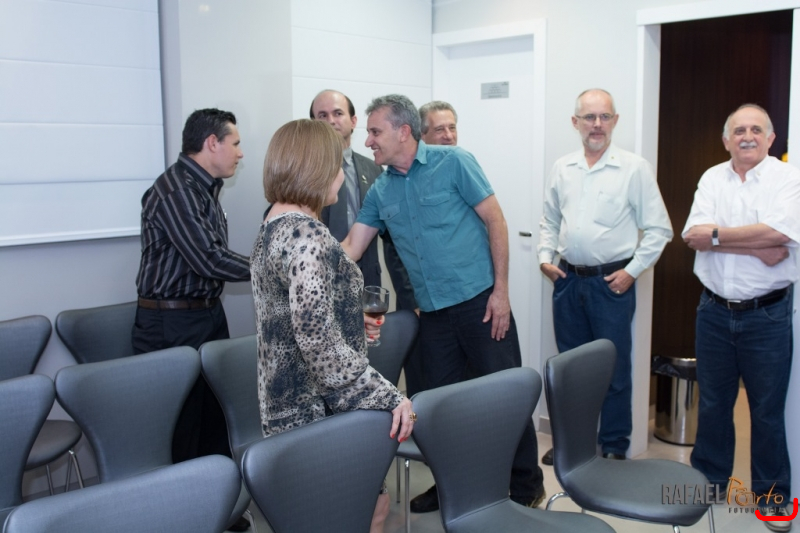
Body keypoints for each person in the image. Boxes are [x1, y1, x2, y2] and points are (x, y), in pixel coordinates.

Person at [342, 94, 545, 513]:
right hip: (432, 317)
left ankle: (526, 484)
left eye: (375, 132)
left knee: (506, 394)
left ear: (403, 131)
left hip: (481, 304)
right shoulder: (380, 190)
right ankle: (452, 483)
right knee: (439, 407)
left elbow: (495, 220)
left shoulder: (454, 162)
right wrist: (299, 258)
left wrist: (501, 292)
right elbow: (352, 247)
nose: (368, 141)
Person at [252, 119, 415, 533]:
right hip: (320, 409)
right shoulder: (309, 236)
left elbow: (290, 314)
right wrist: (389, 395)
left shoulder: (272, 226)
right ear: (317, 169)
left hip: (284, 404)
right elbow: (320, 347)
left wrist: (348, 315)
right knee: (366, 510)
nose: (343, 175)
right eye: (337, 165)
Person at [537, 89, 673, 465]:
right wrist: (545, 258)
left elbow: (659, 229)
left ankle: (613, 444)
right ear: (575, 122)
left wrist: (631, 272)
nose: (597, 125)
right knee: (571, 369)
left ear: (615, 121)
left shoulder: (633, 168)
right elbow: (549, 219)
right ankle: (572, 444)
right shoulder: (563, 167)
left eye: (604, 117)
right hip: (567, 282)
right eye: (589, 117)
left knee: (613, 369)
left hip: (610, 285)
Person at [133, 108, 251, 531]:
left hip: (204, 315)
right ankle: (187, 517)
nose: (240, 153)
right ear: (212, 143)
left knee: (214, 417)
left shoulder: (203, 188)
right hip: (172, 324)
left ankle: (217, 511)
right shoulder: (176, 190)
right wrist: (273, 267)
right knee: (184, 424)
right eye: (235, 143)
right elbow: (208, 259)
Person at [683, 104, 799, 531]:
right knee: (714, 404)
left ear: (771, 138)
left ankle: (772, 498)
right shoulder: (712, 177)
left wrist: (718, 236)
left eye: (756, 129)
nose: (747, 136)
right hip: (713, 311)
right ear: (726, 139)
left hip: (766, 316)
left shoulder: (788, 179)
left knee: (766, 411)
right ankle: (710, 484)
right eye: (738, 130)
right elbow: (694, 236)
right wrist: (756, 242)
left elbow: (781, 236)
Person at [310, 89, 416, 311]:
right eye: (322, 115)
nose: (331, 121)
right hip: (320, 284)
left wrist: (409, 297)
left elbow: (394, 239)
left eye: (338, 113)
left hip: (368, 284)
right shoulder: (304, 171)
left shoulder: (375, 168)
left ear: (353, 121)